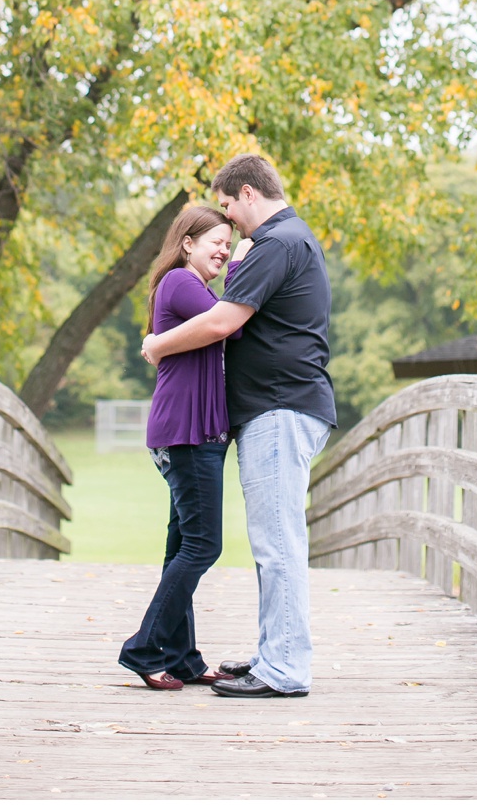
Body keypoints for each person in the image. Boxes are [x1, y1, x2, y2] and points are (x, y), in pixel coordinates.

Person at [142, 153, 336, 699]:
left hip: (279, 408)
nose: (229, 222)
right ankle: (276, 653)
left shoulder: (279, 242)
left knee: (277, 544)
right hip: (278, 408)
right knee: (272, 542)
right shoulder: (287, 241)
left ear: (248, 193)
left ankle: (284, 669)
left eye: (227, 205)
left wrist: (156, 344)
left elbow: (224, 320)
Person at [118, 203, 240, 690]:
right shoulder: (180, 283)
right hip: (187, 433)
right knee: (204, 544)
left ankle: (184, 657)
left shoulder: (194, 287)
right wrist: (250, 264)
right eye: (218, 242)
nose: (226, 251)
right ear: (187, 242)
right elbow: (231, 322)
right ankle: (144, 649)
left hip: (192, 432)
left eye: (230, 244)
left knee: (182, 548)